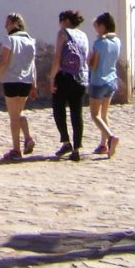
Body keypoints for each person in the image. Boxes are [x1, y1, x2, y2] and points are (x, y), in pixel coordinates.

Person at [0, 12, 38, 161]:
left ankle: (16, 149)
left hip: (11, 81)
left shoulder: (9, 40)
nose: (5, 26)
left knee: (13, 116)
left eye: (7, 23)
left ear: (15, 24)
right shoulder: (30, 41)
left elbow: (3, 62)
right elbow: (33, 65)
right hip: (26, 82)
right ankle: (27, 138)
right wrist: (34, 85)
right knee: (18, 112)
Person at [48, 10, 89, 161]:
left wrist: (52, 77)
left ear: (65, 21)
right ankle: (77, 148)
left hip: (65, 76)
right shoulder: (83, 35)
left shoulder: (63, 33)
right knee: (76, 113)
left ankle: (66, 141)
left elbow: (57, 56)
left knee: (58, 109)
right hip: (81, 77)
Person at [88, 11, 121, 157]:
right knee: (104, 114)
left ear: (102, 27)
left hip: (98, 81)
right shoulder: (117, 41)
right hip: (111, 80)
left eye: (97, 27)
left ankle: (110, 138)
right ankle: (103, 145)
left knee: (95, 115)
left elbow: (94, 65)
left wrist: (88, 60)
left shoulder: (99, 43)